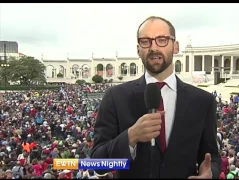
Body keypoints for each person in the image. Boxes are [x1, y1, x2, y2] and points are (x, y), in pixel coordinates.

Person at [90, 16, 221, 178]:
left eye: (162, 40)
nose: (153, 47)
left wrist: (209, 173)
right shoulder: (115, 97)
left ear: (175, 46)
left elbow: (212, 158)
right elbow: (96, 164)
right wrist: (131, 137)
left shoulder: (203, 101)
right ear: (138, 49)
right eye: (146, 41)